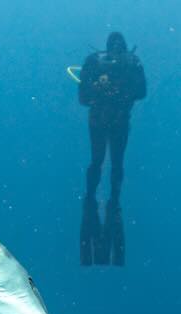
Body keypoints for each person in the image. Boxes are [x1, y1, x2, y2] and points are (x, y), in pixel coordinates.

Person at [78, 31, 146, 266]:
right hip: (114, 118)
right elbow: (140, 93)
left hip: (105, 118)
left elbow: (83, 98)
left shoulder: (98, 62)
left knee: (103, 161)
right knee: (110, 162)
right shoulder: (124, 63)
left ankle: (96, 197)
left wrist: (105, 90)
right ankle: (107, 198)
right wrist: (110, 91)